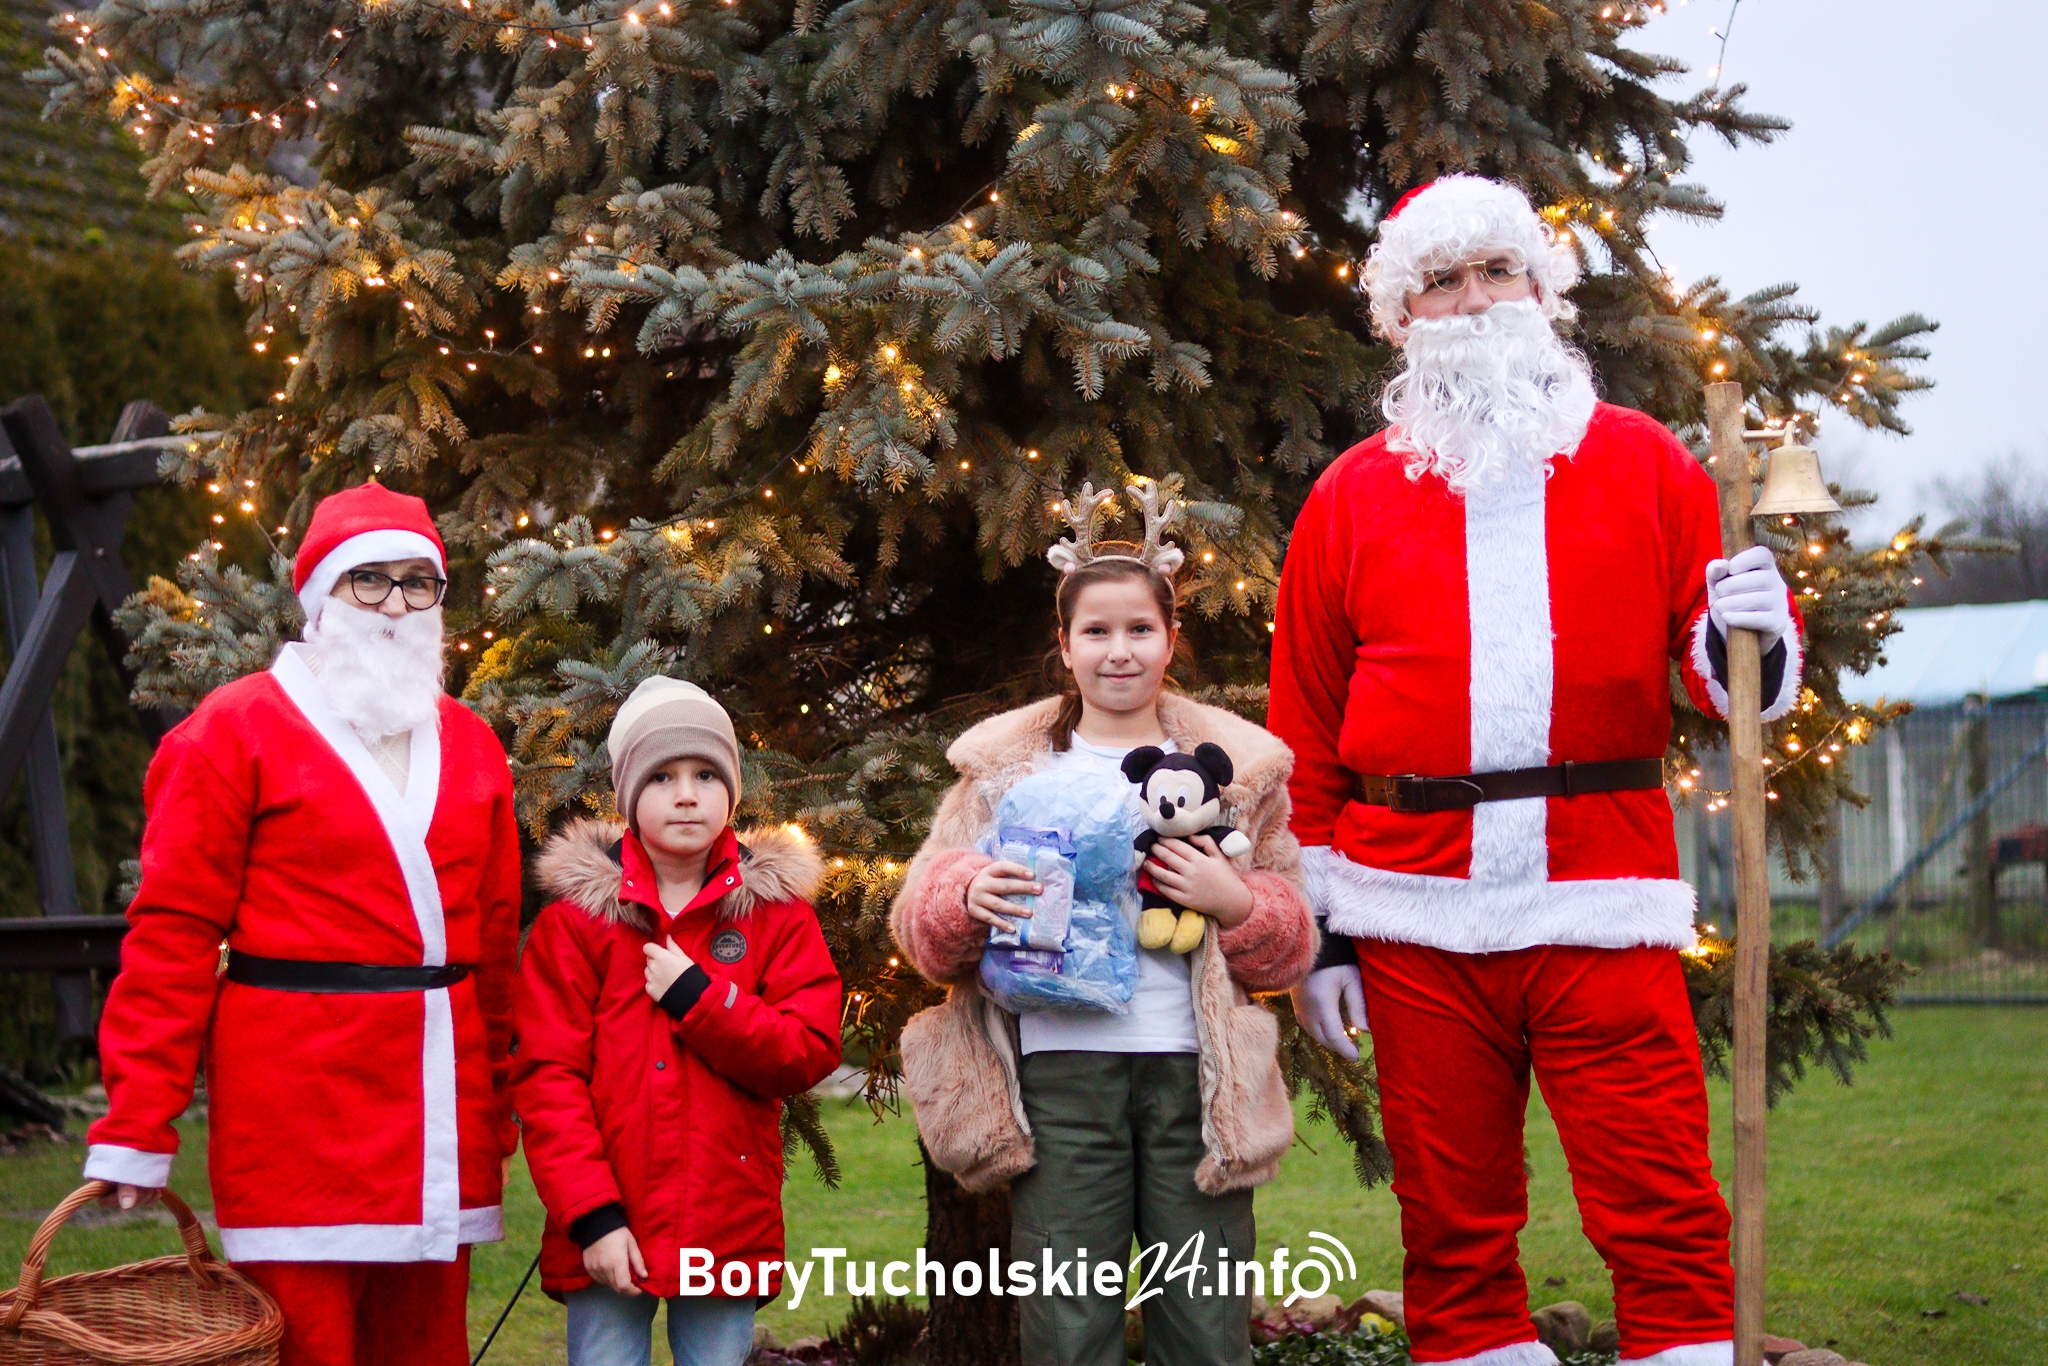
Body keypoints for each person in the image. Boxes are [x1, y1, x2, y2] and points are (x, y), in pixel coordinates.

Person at [1268, 174, 1804, 1366]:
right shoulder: (1347, 497)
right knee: (1449, 1229)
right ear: (1401, 314)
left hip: (1599, 894)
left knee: (1659, 1201)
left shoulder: (1650, 464)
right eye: (1440, 281)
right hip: (1408, 907)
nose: (1472, 300)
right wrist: (1321, 931)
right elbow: (1302, 723)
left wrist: (1748, 627)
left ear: (1539, 288)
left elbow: (1730, 691)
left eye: (1494, 271)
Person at [84, 482, 523, 1366]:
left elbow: (499, 943)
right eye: (370, 581)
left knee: (426, 1350)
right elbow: (172, 933)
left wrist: (506, 1102)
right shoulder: (233, 730)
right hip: (295, 1109)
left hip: (442, 1101)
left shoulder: (471, 742)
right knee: (304, 1349)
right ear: (321, 594)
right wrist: (137, 1123)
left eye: (417, 582)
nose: (396, 605)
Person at [891, 483, 1318, 1366]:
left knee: (1204, 1325)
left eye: (1139, 630)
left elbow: (1290, 938)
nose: (1118, 651)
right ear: (1065, 646)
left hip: (1195, 1082)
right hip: (1059, 1076)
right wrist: (966, 893)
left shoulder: (1236, 772)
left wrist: (1235, 903)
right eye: (1096, 632)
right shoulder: (1003, 773)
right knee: (1068, 1327)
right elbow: (920, 923)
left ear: (1170, 641)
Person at [515, 676, 843, 1366]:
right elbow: (550, 1079)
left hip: (723, 1222)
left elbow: (806, 1049)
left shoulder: (776, 915)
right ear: (629, 794)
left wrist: (702, 1001)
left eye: (704, 774)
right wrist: (593, 1218)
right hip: (608, 1223)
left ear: (732, 789)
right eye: (662, 776)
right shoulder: (577, 925)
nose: (687, 794)